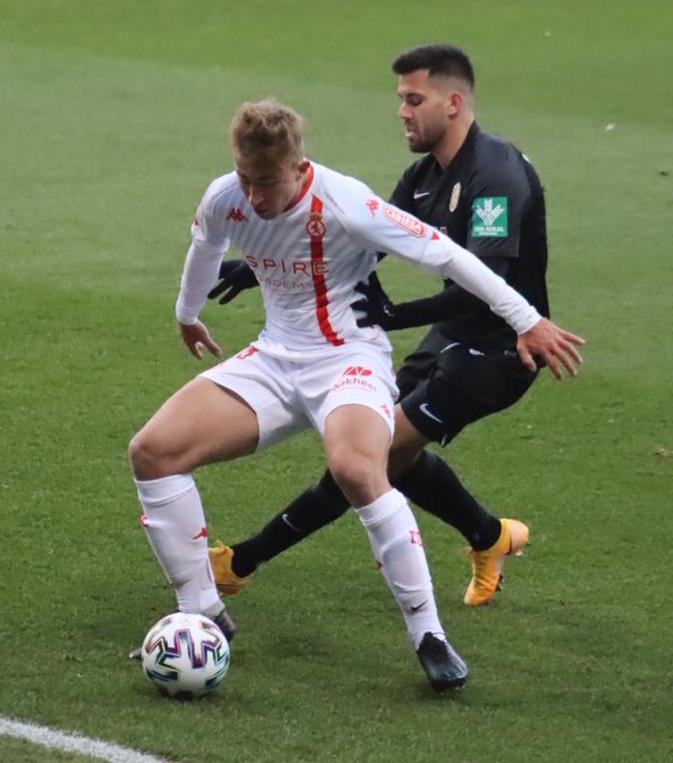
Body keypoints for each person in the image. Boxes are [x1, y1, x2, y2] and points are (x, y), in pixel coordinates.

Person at [128, 98, 583, 692]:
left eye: (267, 183)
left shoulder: (347, 202)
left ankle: (429, 635)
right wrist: (187, 315)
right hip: (275, 358)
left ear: (299, 166)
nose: (255, 197)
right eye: (246, 179)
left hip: (350, 360)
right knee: (152, 451)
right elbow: (207, 248)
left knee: (356, 469)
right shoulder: (226, 196)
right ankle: (204, 609)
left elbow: (449, 256)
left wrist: (527, 321)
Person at [205, 44, 573, 607]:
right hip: (451, 336)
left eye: (413, 99)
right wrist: (255, 268)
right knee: (387, 449)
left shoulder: (493, 176)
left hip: (503, 350)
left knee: (369, 457)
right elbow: (359, 245)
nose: (402, 111)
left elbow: (486, 282)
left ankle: (242, 560)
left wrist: (399, 317)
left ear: (453, 103)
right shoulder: (426, 176)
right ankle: (491, 537)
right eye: (400, 99)